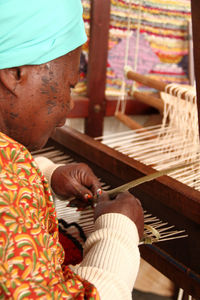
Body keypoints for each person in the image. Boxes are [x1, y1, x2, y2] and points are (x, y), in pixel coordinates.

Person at [0, 0, 144, 299]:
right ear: (15, 72)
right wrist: (118, 231)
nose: (66, 112)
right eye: (68, 86)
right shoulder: (8, 175)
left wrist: (46, 175)